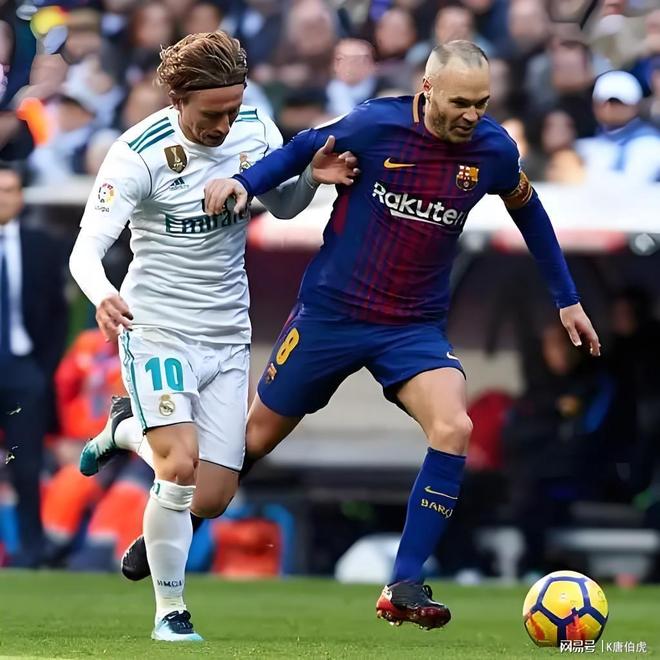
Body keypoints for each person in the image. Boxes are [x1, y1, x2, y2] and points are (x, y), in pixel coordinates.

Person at [109, 40, 601, 630]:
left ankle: (404, 583)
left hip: (412, 326)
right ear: (427, 90)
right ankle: (174, 523)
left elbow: (532, 213)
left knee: (455, 427)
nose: (472, 115)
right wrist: (245, 182)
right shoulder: (374, 124)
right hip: (331, 316)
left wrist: (567, 298)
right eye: (460, 102)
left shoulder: (493, 150)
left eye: (482, 103)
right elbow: (301, 149)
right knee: (246, 448)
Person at [69, 31, 358, 642]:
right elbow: (85, 250)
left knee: (213, 496)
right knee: (178, 467)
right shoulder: (138, 153)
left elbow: (282, 206)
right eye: (212, 113)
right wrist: (103, 295)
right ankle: (170, 613)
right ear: (177, 99)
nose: (225, 125)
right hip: (156, 327)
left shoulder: (254, 128)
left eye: (233, 108)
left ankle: (124, 430)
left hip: (227, 333)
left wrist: (313, 179)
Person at [0, 162, 68, 568]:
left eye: (9, 190)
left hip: (24, 369)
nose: (3, 198)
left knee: (26, 466)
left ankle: (31, 551)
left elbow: (58, 315)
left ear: (21, 197)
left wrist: (43, 371)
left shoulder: (41, 246)